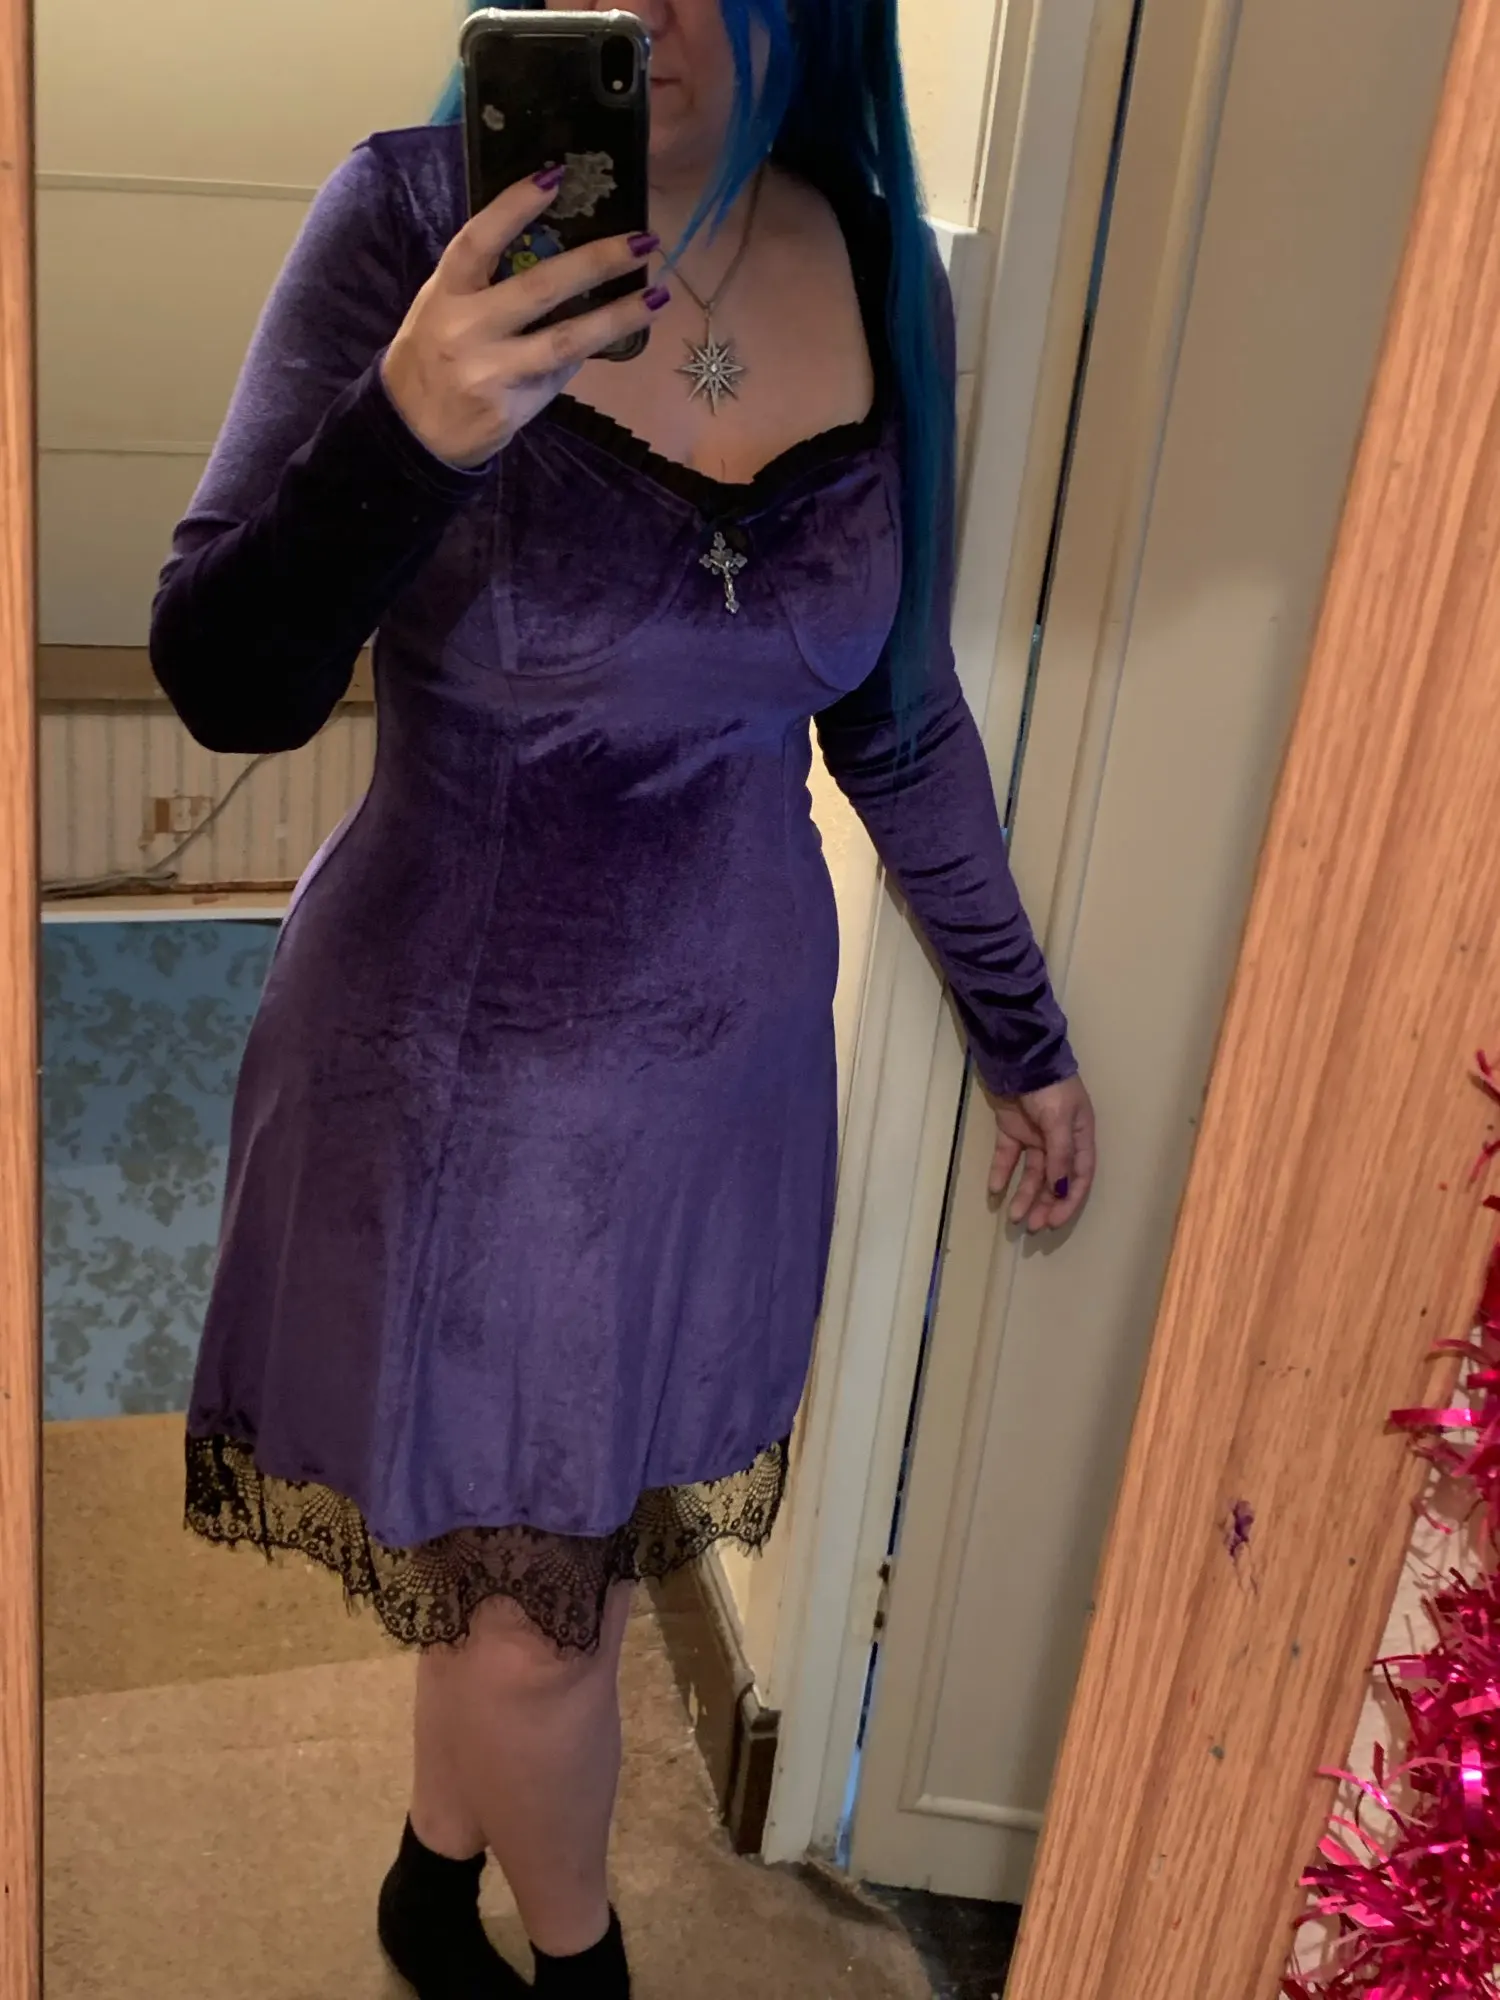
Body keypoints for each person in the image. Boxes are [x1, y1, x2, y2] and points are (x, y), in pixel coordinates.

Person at [148, 0, 1097, 1993]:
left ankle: (431, 1882)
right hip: (458, 1094)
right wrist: (407, 426)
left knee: (526, 1555)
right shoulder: (408, 223)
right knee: (541, 1623)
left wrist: (1021, 1033)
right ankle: (584, 1966)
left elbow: (898, 719)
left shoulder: (880, 268)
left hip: (721, 1098)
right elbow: (225, 675)